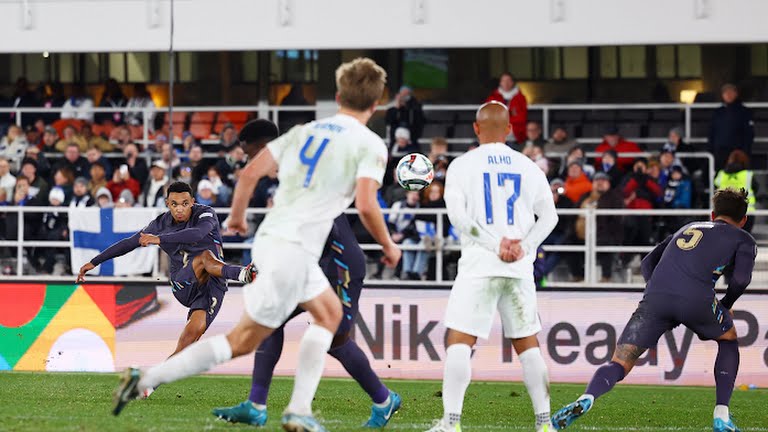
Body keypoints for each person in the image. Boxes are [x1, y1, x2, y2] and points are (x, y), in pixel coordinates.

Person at [111, 58, 401, 432]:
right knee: (325, 322)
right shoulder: (371, 143)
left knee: (251, 337)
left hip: (270, 242)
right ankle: (298, 411)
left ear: (339, 94)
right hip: (296, 249)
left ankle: (146, 378)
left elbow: (248, 173)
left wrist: (236, 217)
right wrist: (389, 246)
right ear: (377, 104)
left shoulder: (304, 131)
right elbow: (365, 203)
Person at [212, 122, 401, 426]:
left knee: (336, 339)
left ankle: (384, 399)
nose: (249, 162)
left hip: (340, 264)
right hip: (313, 261)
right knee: (270, 322)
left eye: (250, 154)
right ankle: (256, 404)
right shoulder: (290, 168)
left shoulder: (296, 166)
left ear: (263, 148)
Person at [552, 188, 756, 432]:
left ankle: (586, 398)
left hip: (656, 298)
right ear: (743, 220)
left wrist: (658, 291)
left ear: (713, 215)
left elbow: (648, 262)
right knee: (729, 339)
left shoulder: (688, 227)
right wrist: (726, 305)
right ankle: (721, 415)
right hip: (697, 298)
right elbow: (741, 280)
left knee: (620, 361)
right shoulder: (744, 239)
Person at [426, 101, 557, 432]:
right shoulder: (529, 166)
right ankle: (544, 424)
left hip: (479, 265)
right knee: (528, 346)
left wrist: (492, 244)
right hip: (518, 268)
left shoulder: (462, 165)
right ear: (510, 129)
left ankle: (451, 423)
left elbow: (458, 217)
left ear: (475, 128)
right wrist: (524, 247)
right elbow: (551, 217)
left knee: (459, 341)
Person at [78, 181, 257, 356]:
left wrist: (160, 239)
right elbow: (130, 243)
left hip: (213, 285)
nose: (180, 209)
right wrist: (94, 262)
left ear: (193, 202)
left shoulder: (206, 214)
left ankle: (151, 384)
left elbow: (197, 233)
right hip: (183, 283)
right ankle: (242, 274)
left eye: (185, 204)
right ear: (167, 204)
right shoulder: (160, 224)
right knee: (204, 257)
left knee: (187, 342)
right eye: (174, 204)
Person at [708, 84, 754, 171]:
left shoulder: (745, 112)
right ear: (722, 95)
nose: (728, 95)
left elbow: (749, 133)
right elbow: (711, 132)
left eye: (731, 92)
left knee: (738, 177)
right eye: (725, 92)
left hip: (737, 152)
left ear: (736, 94)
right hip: (720, 152)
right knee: (721, 177)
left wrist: (745, 151)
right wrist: (711, 149)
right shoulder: (717, 112)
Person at [714, 149, 758, 233]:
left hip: (723, 213)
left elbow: (715, 189)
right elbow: (756, 189)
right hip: (746, 211)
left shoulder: (721, 174)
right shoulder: (748, 175)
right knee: (744, 239)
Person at [485, 72, 528, 143]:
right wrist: (511, 114)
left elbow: (521, 118)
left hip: (515, 137)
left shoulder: (520, 98)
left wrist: (502, 117)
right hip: (496, 137)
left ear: (513, 82)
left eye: (508, 80)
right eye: (504, 81)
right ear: (500, 83)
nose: (506, 83)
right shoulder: (493, 97)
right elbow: (490, 116)